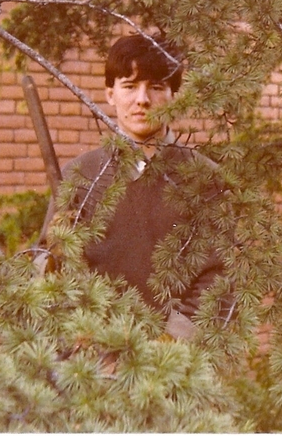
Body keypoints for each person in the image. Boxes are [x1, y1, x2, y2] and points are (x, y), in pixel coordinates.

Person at [38, 34, 227, 338]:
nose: (142, 99)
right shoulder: (79, 175)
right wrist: (52, 258)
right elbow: (45, 274)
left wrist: (168, 344)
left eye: (156, 87)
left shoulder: (205, 178)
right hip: (92, 353)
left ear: (174, 97)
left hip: (176, 359)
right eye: (129, 86)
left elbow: (218, 277)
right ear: (110, 94)